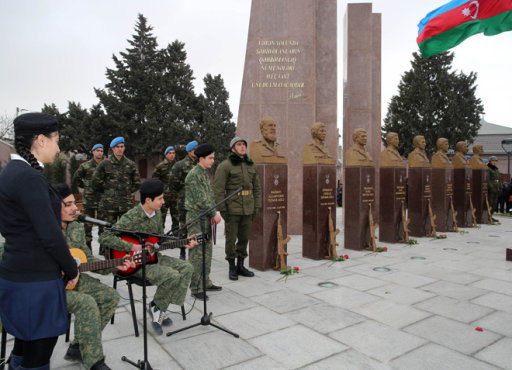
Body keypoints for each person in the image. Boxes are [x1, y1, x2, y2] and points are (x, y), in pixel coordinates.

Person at [0, 113, 79, 370]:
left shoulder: (11, 172)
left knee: (23, 347)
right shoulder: (29, 177)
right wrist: (71, 267)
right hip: (35, 284)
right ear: (41, 140)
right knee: (38, 356)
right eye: (56, 140)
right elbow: (50, 234)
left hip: (17, 275)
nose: (58, 147)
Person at [99, 179, 195, 335]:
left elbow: (160, 240)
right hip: (134, 264)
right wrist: (131, 247)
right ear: (148, 200)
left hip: (153, 257)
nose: (163, 202)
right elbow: (105, 237)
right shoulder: (131, 217)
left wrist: (183, 243)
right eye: (160, 199)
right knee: (171, 276)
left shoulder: (156, 214)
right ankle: (158, 310)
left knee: (187, 267)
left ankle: (158, 306)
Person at [54, 183, 134, 370]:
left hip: (74, 281)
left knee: (110, 297)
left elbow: (86, 259)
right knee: (87, 304)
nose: (76, 208)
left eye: (75, 203)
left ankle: (79, 346)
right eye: (68, 204)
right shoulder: (41, 229)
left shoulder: (77, 228)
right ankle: (94, 360)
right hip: (49, 287)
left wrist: (116, 264)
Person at [213, 137, 261, 281]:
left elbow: (257, 188)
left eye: (244, 145)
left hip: (248, 207)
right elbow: (219, 189)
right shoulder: (225, 166)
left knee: (244, 238)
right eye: (239, 145)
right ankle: (232, 267)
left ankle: (241, 265)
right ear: (233, 148)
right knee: (231, 239)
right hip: (232, 207)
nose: (242, 147)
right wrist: (222, 209)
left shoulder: (251, 165)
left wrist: (257, 206)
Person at [185, 143, 222, 300]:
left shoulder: (203, 173)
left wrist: (212, 213)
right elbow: (200, 199)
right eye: (210, 158)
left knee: (207, 252)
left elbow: (209, 196)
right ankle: (195, 287)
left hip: (205, 217)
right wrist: (214, 213)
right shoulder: (194, 175)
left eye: (213, 157)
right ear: (201, 158)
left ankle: (205, 282)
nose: (213, 161)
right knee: (197, 254)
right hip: (196, 219)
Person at [92, 137, 141, 254]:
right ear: (113, 149)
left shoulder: (130, 164)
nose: (120, 149)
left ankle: (125, 251)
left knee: (127, 229)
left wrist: (127, 192)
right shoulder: (105, 164)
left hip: (126, 203)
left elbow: (137, 182)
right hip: (109, 204)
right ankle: (107, 252)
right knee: (108, 229)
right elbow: (95, 181)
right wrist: (107, 192)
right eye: (117, 147)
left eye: (122, 147)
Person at [169, 140, 198, 260]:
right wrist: (181, 194)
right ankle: (182, 251)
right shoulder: (179, 165)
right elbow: (173, 184)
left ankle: (195, 249)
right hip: (184, 200)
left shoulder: (199, 164)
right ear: (189, 151)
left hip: (197, 201)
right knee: (184, 226)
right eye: (195, 150)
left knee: (196, 226)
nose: (197, 152)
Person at [71, 143, 104, 249]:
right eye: (97, 150)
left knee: (102, 226)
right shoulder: (85, 166)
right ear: (93, 152)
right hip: (89, 200)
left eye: (101, 151)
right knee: (88, 226)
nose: (100, 152)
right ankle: (88, 249)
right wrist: (85, 185)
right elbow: (76, 178)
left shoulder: (106, 166)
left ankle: (102, 250)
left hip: (103, 201)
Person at [152, 146, 178, 229]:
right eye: (170, 153)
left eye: (173, 153)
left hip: (175, 197)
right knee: (161, 218)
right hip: (163, 197)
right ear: (166, 155)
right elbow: (155, 182)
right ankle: (160, 237)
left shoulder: (178, 166)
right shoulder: (160, 166)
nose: (172, 155)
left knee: (176, 219)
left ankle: (176, 236)